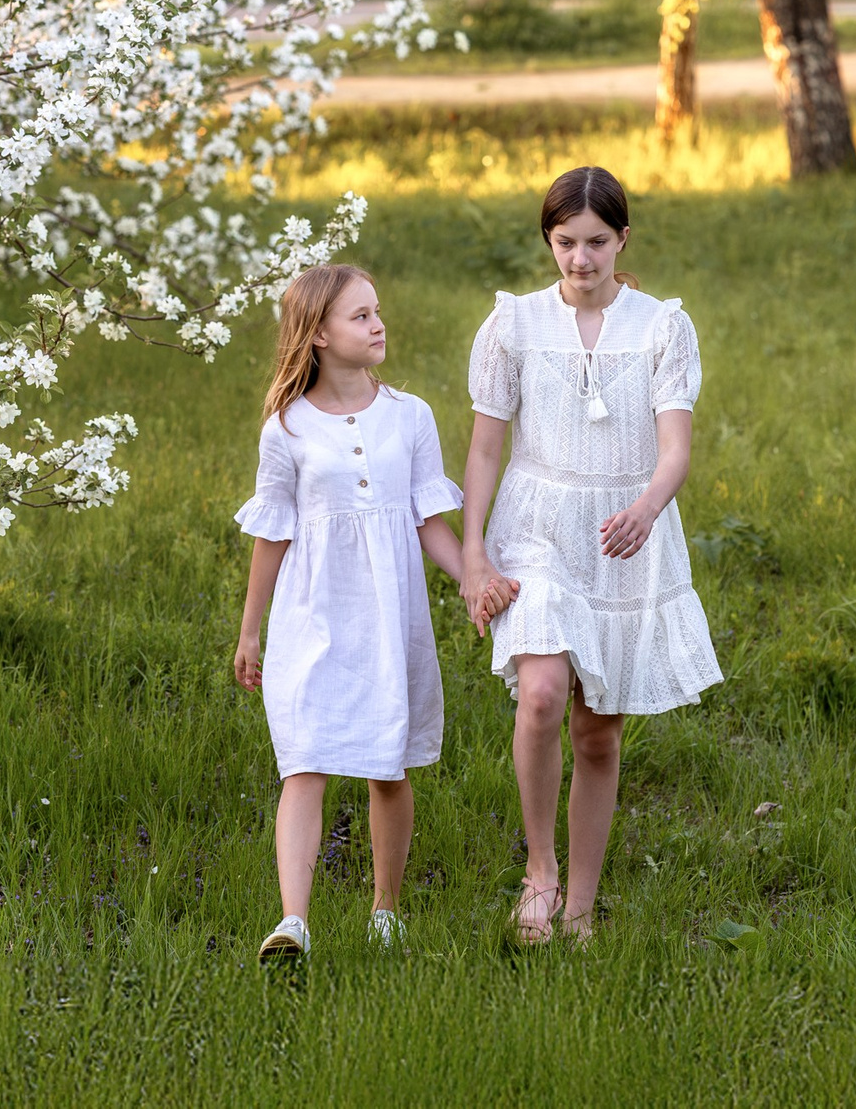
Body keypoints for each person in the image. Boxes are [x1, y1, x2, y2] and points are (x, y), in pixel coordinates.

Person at [459, 166, 722, 943]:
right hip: (537, 523)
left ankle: (581, 903)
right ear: (549, 239)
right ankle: (538, 871)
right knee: (541, 694)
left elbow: (674, 448)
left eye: (597, 242)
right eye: (565, 242)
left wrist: (646, 507)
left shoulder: (662, 327)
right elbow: (483, 449)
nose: (580, 259)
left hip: (621, 530)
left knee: (597, 729)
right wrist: (474, 553)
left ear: (623, 240)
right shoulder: (512, 324)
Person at [233, 263, 516, 961]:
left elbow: (428, 520)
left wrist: (473, 578)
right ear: (319, 334)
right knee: (305, 759)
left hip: (391, 618)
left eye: (377, 310)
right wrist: (250, 630)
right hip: (312, 617)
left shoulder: (410, 416)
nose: (378, 323)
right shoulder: (287, 428)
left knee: (388, 767)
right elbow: (273, 534)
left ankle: (385, 907)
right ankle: (293, 920)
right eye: (360, 316)